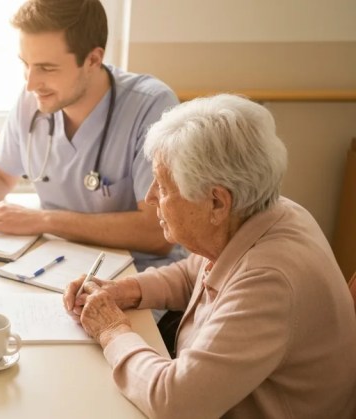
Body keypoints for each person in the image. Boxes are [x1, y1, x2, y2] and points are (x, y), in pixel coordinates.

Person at [64, 94, 356, 418]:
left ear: (217, 203)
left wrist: (112, 330)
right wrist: (127, 290)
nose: (149, 198)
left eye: (161, 185)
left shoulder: (269, 282)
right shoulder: (264, 212)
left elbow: (175, 402)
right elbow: (195, 272)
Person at [0, 0, 184, 272]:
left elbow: (157, 233)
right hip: (58, 264)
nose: (30, 83)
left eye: (46, 68)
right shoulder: (35, 99)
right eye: (26, 64)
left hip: (139, 277)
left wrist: (43, 220)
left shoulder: (151, 106)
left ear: (93, 59)